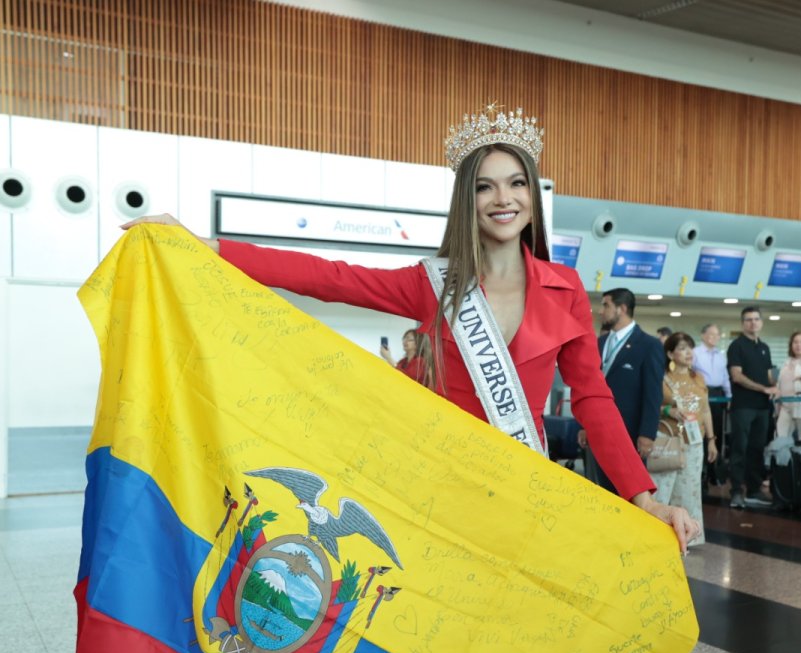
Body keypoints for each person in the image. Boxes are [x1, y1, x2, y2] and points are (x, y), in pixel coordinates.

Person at [120, 104, 699, 551]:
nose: (504, 198)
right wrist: (209, 246)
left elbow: (593, 399)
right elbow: (329, 276)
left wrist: (643, 498)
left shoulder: (564, 287)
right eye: (485, 185)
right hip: (439, 490)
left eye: (517, 183)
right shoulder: (435, 285)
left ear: (532, 196)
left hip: (522, 490)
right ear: (466, 200)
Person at [575, 288, 665, 494]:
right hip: (598, 430)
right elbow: (588, 386)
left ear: (622, 309)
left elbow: (653, 394)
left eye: (606, 305)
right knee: (599, 490)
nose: (600, 311)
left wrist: (647, 434)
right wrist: (585, 425)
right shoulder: (600, 343)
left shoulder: (649, 345)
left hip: (630, 433)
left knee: (627, 492)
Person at [655, 332, 716, 548]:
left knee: (689, 490)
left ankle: (689, 537)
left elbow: (706, 410)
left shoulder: (698, 378)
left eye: (690, 347)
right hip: (668, 439)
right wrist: (669, 410)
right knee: (663, 489)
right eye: (682, 348)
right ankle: (656, 535)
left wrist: (711, 439)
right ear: (670, 353)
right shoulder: (661, 378)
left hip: (694, 440)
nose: (688, 352)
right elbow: (651, 406)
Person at [727, 306, 776, 509]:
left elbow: (768, 374)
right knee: (739, 448)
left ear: (761, 322)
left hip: (763, 408)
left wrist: (774, 387)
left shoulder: (764, 347)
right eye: (748, 320)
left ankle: (755, 490)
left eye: (756, 319)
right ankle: (737, 491)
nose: (753, 323)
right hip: (743, 406)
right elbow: (736, 376)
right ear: (742, 323)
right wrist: (763, 388)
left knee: (757, 449)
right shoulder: (737, 346)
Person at [692, 323, 730, 485]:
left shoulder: (721, 355)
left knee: (717, 434)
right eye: (710, 334)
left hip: (718, 395)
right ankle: (701, 472)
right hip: (700, 392)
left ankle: (714, 471)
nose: (713, 338)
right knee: (702, 432)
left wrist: (729, 396)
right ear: (703, 335)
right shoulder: (695, 353)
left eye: (717, 335)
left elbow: (725, 376)